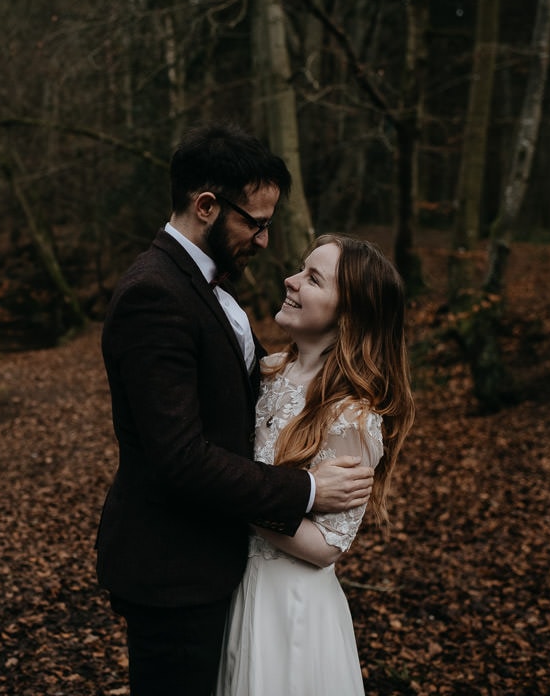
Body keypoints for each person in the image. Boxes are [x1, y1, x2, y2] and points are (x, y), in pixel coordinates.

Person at [96, 123, 376, 696]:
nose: (267, 242)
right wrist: (305, 490)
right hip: (173, 571)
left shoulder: (208, 291)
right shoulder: (155, 295)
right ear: (206, 206)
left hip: (224, 571)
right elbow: (181, 458)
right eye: (257, 223)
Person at [215, 233, 416, 695]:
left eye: (312, 278)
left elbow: (327, 545)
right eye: (300, 269)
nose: (290, 280)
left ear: (350, 314)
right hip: (228, 587)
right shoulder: (265, 373)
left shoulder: (353, 416)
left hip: (290, 610)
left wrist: (227, 494)